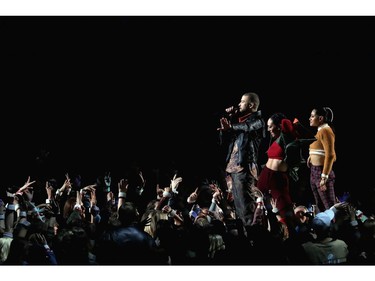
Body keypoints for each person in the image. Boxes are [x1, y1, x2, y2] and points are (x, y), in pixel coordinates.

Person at [217, 92, 266, 230]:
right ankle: (243, 240)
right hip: (233, 169)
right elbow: (223, 141)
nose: (238, 104)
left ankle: (253, 240)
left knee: (246, 209)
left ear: (251, 105)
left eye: (242, 101)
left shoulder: (258, 121)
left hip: (244, 169)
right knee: (237, 210)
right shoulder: (238, 122)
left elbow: (247, 127)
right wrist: (229, 119)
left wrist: (231, 126)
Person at [256, 113, 297, 228]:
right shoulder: (275, 141)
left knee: (284, 208)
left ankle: (290, 236)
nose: (268, 129)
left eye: (270, 126)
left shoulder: (288, 137)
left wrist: (283, 124)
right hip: (265, 176)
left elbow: (287, 124)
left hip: (277, 179)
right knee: (263, 208)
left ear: (279, 126)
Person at [307, 106, 336, 212]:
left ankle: (335, 227)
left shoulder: (326, 131)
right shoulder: (320, 131)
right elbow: (320, 149)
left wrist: (324, 177)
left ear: (320, 118)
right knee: (320, 205)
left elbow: (331, 154)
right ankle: (324, 228)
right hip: (314, 171)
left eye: (312, 116)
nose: (309, 118)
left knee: (329, 206)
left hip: (321, 172)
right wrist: (311, 156)